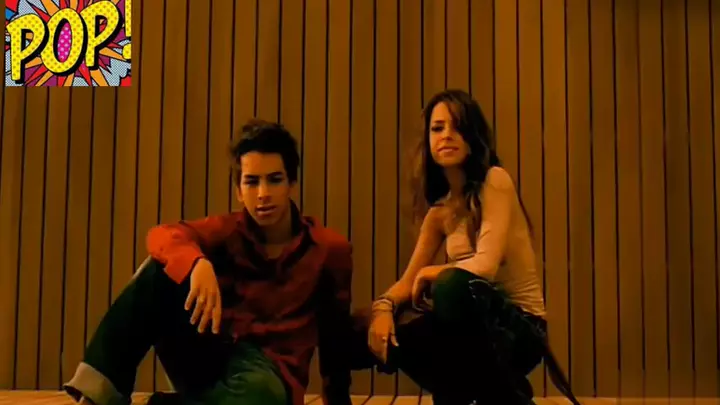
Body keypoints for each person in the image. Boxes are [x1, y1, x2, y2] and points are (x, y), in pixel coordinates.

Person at [63, 119, 355, 405]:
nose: (263, 194)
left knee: (262, 393)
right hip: (212, 356)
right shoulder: (225, 233)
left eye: (274, 180)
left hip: (270, 376)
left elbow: (335, 336)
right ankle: (96, 398)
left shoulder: (328, 250)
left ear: (292, 183)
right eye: (252, 182)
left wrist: (338, 398)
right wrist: (196, 264)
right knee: (160, 269)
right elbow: (162, 235)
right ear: (239, 191)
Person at [350, 89, 579, 405]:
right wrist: (383, 309)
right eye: (437, 128)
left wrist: (432, 273)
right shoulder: (439, 213)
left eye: (457, 127)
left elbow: (484, 266)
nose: (446, 135)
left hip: (520, 329)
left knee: (451, 287)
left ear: (473, 137)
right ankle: (485, 395)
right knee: (357, 327)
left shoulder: (495, 180)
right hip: (471, 337)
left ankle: (488, 395)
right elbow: (407, 282)